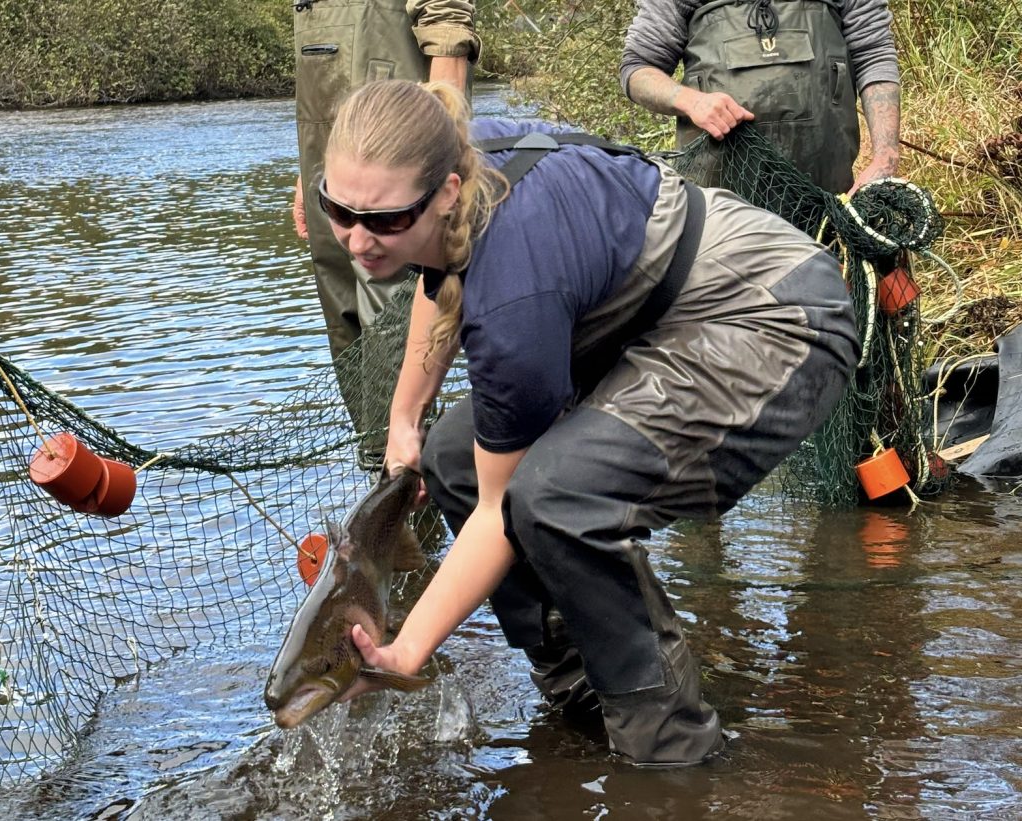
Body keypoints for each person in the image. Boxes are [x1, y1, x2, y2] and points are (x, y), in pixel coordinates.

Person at [319, 79, 860, 765]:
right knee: (454, 455)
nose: (359, 239)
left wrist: (404, 653)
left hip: (773, 317)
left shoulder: (512, 301)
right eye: (338, 209)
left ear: (447, 191)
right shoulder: (444, 160)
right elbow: (440, 266)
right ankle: (584, 690)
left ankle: (667, 745)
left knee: (558, 498)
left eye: (386, 220)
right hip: (658, 317)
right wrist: (406, 419)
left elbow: (498, 514)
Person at [292, 0, 479, 466]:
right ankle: (383, 467)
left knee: (393, 315)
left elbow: (448, 25)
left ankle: (396, 476)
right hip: (333, 163)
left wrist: (444, 153)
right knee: (346, 326)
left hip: (400, 159)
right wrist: (312, 177)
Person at [620, 0, 902, 194]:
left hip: (827, 199)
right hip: (720, 210)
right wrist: (692, 101)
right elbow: (638, 69)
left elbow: (874, 54)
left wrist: (885, 157)